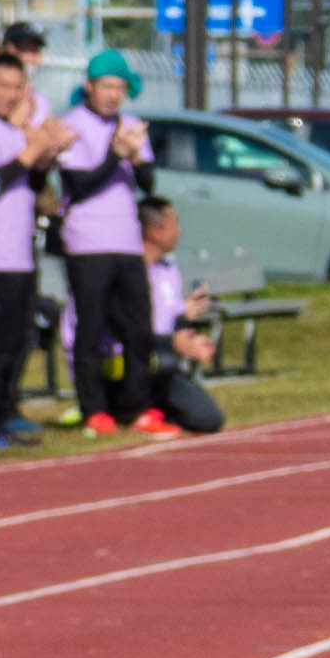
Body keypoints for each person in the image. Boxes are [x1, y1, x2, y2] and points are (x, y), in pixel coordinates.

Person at [0, 47, 62, 443]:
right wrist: (29, 153)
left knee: (17, 343)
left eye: (18, 88)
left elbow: (30, 185)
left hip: (22, 255)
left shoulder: (16, 131)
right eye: (4, 86)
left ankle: (3, 414)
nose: (11, 95)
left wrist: (43, 158)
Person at [54, 48, 157, 438]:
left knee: (136, 328)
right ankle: (94, 408)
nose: (114, 95)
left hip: (127, 240)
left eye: (120, 88)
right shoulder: (73, 124)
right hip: (87, 242)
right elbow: (78, 187)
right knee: (91, 327)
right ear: (89, 87)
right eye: (107, 87)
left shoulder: (130, 124)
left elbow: (149, 185)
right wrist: (115, 156)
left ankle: (137, 406)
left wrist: (137, 157)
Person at [128, 197, 227, 435]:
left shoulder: (168, 268)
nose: (180, 232)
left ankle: (156, 409)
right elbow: (133, 328)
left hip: (163, 361)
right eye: (175, 224)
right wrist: (173, 342)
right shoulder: (129, 272)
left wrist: (189, 335)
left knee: (208, 418)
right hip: (132, 361)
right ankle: (125, 409)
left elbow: (172, 315)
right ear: (155, 232)